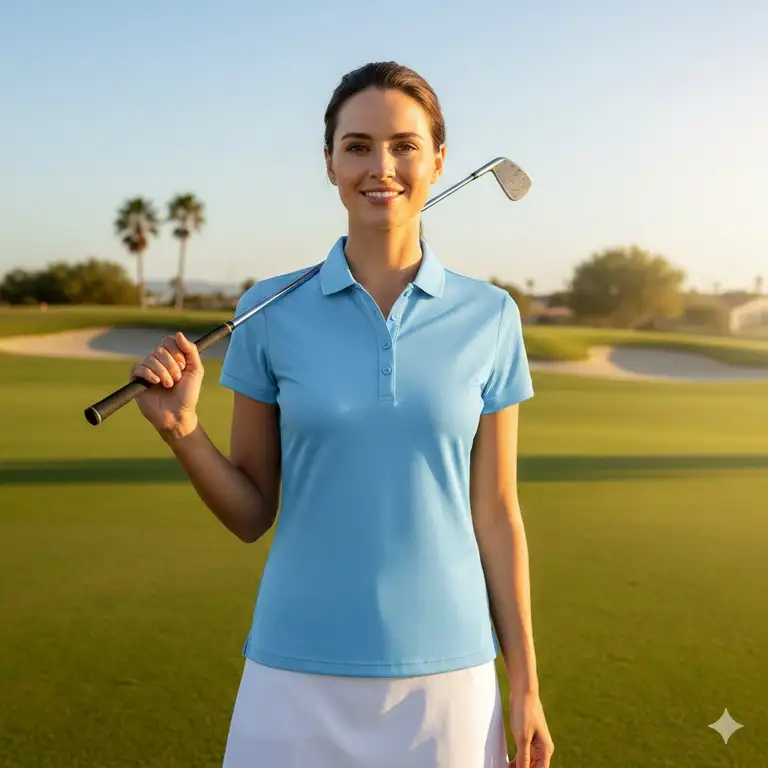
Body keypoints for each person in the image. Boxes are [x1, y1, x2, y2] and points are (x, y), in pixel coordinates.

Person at [131, 61, 555, 768]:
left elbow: (497, 514)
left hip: (449, 680)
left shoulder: (490, 316)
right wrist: (183, 432)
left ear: (438, 159)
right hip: (291, 672)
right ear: (329, 162)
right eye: (357, 146)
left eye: (404, 145)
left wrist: (526, 685)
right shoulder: (269, 311)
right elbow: (250, 513)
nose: (380, 167)